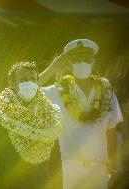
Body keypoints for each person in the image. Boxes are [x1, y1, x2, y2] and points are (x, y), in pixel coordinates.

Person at [40, 39, 124, 189]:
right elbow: (23, 95)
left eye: (86, 58)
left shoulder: (107, 92)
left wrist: (113, 168)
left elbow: (112, 131)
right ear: (69, 65)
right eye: (76, 59)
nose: (82, 63)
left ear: (93, 62)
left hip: (100, 169)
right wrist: (52, 68)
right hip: (71, 169)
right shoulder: (57, 92)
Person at [0, 62, 62, 188]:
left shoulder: (50, 115)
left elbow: (55, 162)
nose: (30, 83)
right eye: (24, 79)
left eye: (33, 79)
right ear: (12, 82)